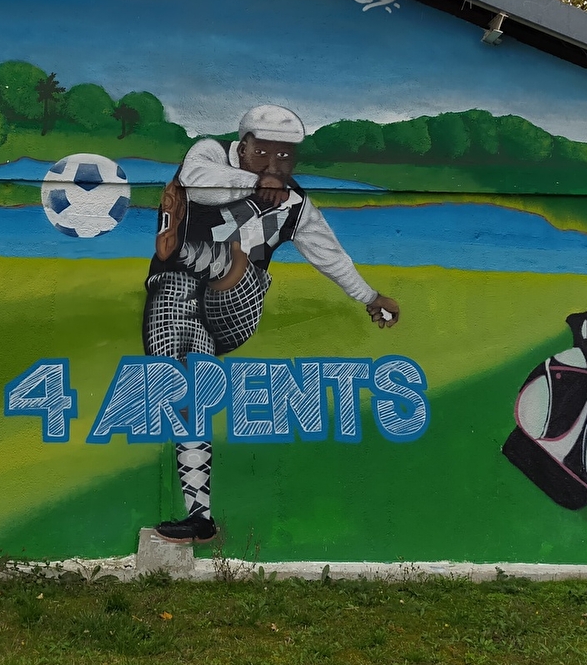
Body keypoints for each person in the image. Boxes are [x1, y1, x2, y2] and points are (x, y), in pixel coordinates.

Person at [144, 104, 400, 542]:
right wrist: (254, 182)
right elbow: (195, 182)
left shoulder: (295, 204)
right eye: (263, 152)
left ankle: (216, 262)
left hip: (236, 307)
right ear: (241, 146)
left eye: (285, 157)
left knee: (227, 265)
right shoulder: (207, 155)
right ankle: (199, 517)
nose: (274, 165)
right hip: (178, 298)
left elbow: (330, 256)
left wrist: (370, 297)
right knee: (187, 390)